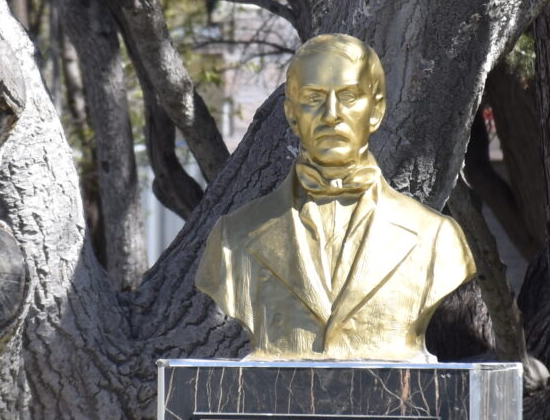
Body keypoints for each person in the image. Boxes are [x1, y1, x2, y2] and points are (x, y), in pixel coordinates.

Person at [197, 33, 475, 360]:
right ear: (291, 113)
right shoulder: (233, 237)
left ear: (376, 110)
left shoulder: (436, 239)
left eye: (348, 95)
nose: (331, 114)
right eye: (314, 97)